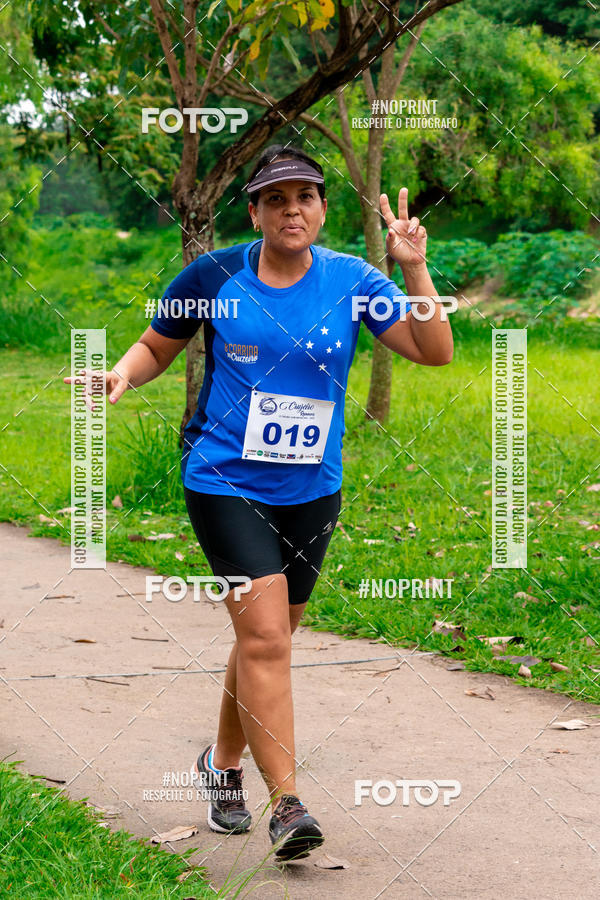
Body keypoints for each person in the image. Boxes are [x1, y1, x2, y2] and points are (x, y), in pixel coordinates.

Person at [65, 143, 453, 861]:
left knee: (265, 638)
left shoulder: (354, 279)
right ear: (255, 212)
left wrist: (414, 266)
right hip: (224, 480)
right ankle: (288, 805)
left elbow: (433, 350)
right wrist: (122, 372)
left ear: (324, 208)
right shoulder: (213, 274)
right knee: (268, 638)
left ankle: (221, 766)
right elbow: (157, 345)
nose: (291, 210)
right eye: (275, 199)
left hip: (312, 489)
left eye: (305, 196)